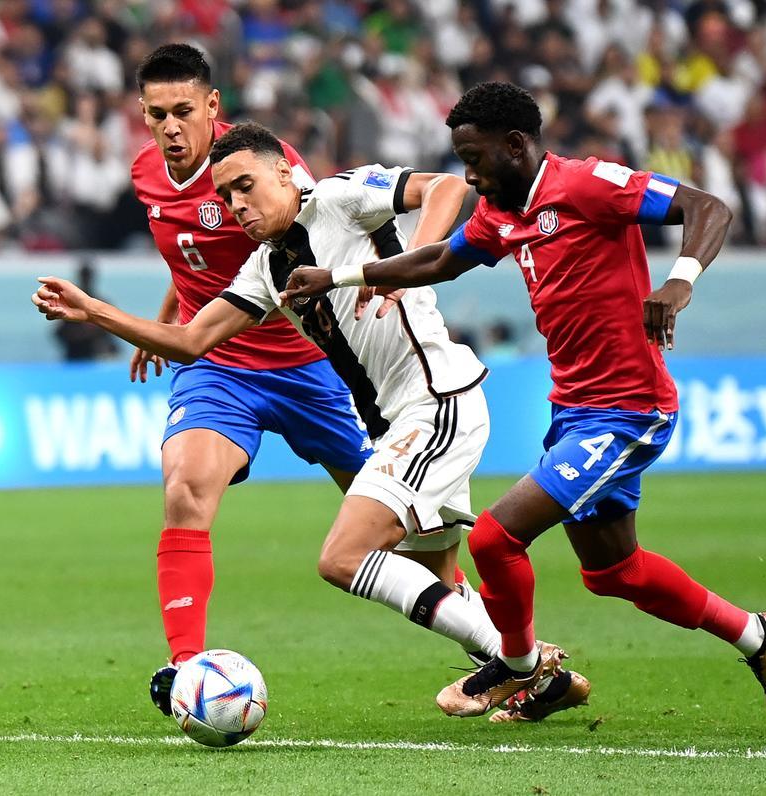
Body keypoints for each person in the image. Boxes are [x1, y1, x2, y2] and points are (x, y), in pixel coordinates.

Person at [281, 81, 766, 726]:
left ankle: (520, 671)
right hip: (576, 413)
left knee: (496, 538)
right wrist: (338, 275)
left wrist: (678, 280)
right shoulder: (504, 213)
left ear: (517, 144)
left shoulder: (587, 185)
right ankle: (759, 637)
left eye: (475, 160)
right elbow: (441, 258)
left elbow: (708, 206)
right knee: (615, 573)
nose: (469, 176)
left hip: (631, 410)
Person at [33, 121, 591, 720]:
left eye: (245, 186)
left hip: (435, 401)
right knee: (436, 570)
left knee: (342, 557)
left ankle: (522, 666)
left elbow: (447, 190)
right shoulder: (267, 269)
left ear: (283, 172)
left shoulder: (344, 196)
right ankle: (543, 676)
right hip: (397, 423)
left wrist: (410, 268)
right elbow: (192, 341)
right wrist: (95, 311)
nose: (237, 205)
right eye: (225, 197)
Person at [117, 44, 373, 718]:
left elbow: (323, 233)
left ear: (211, 108)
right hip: (220, 366)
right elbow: (189, 254)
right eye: (155, 115)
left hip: (309, 363)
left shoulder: (260, 161)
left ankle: (493, 647)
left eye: (181, 111)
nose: (169, 127)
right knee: (185, 491)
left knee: (398, 522)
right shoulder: (147, 173)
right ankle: (186, 675)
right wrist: (172, 312)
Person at [52, 261, 119, 361]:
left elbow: (111, 333)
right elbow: (59, 332)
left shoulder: (101, 303)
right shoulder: (70, 302)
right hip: (74, 352)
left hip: (95, 355)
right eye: (85, 275)